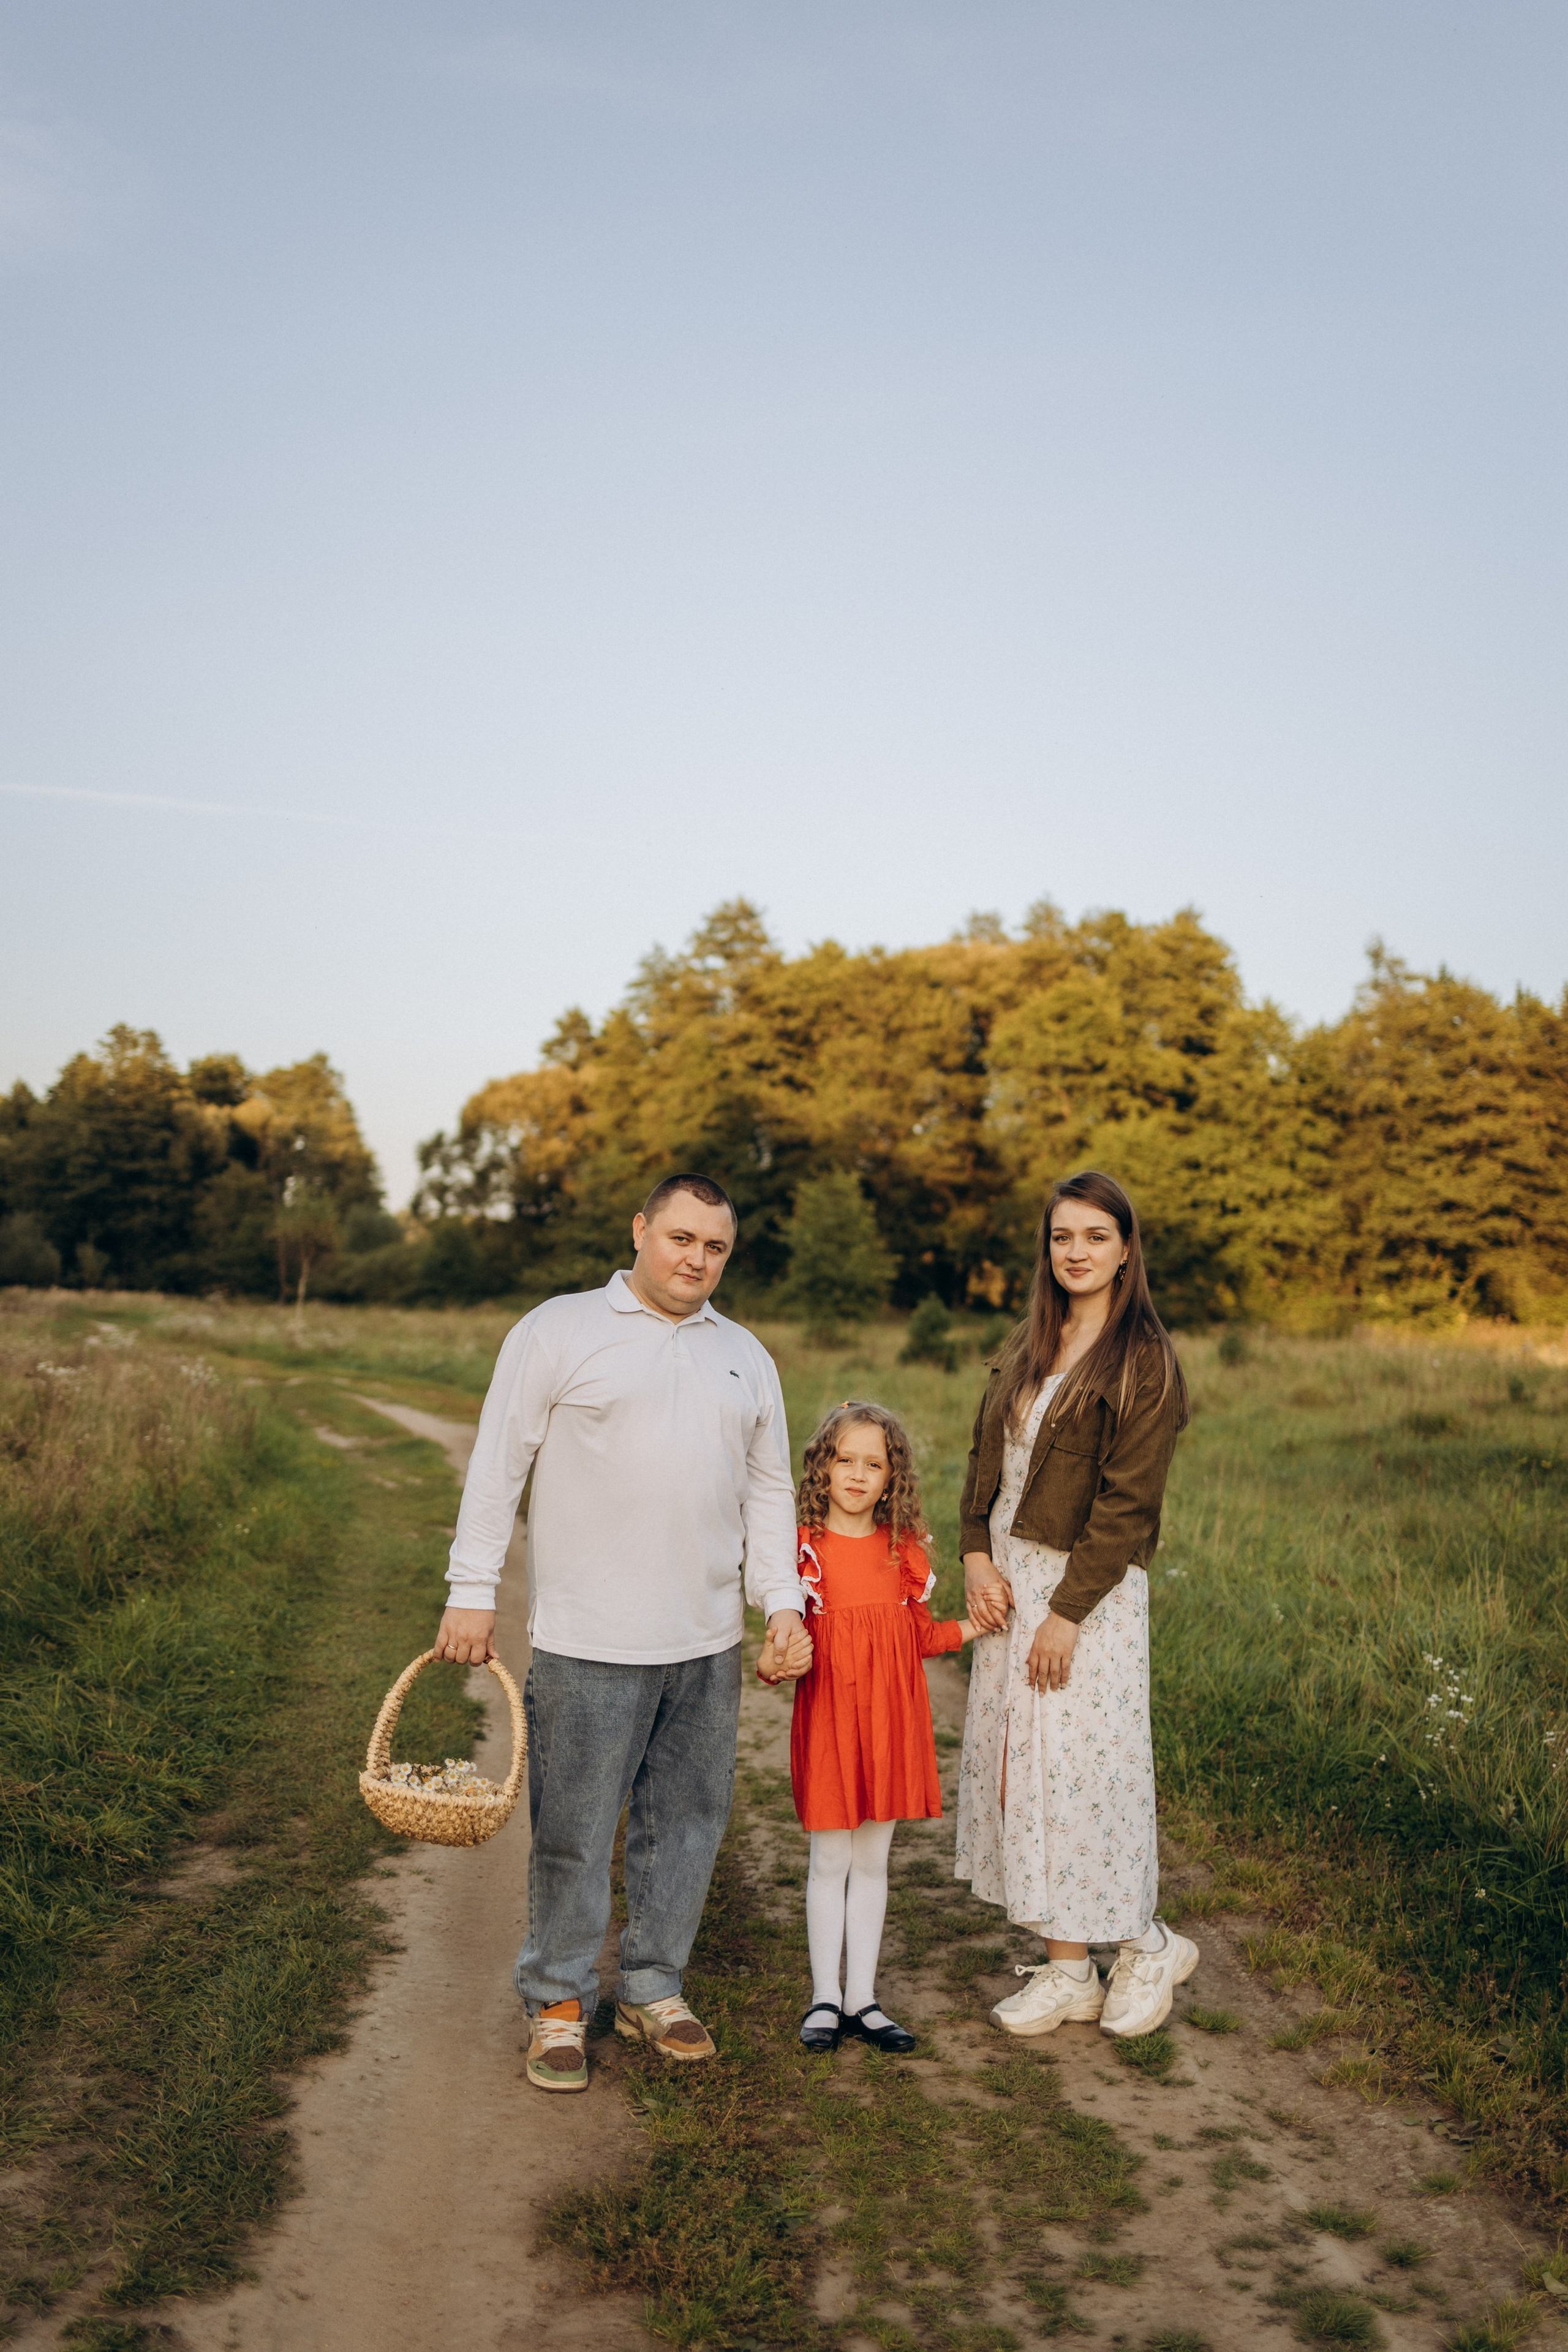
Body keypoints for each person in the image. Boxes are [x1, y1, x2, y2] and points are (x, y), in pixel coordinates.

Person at [433, 1173, 814, 2094]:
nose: (696, 1260)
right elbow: (498, 1463)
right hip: (589, 1637)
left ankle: (652, 1986)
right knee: (574, 1826)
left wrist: (783, 1603)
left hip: (706, 1638)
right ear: (641, 1230)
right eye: (681, 1238)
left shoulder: (745, 1355)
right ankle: (558, 2000)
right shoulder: (559, 1329)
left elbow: (768, 1491)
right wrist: (471, 1588)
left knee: (687, 1823)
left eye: (715, 1247)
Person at [953, 1169, 1196, 2039]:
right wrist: (977, 1554)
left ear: (1127, 1248)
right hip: (1012, 1582)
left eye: (1096, 1236)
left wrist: (1066, 1614)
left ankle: (1146, 1939)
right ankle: (1068, 1971)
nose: (1078, 1252)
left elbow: (1127, 1507)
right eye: (1063, 1237)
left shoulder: (1144, 1363)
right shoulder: (1029, 1346)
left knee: (1091, 1773)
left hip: (1086, 1592)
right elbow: (986, 1463)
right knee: (1030, 1772)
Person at [759, 1400, 994, 2056]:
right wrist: (773, 1665)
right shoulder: (801, 1550)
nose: (858, 1475)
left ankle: (862, 1997)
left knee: (872, 1861)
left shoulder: (905, 1553)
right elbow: (780, 1648)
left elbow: (918, 1637)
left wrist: (976, 1628)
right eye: (845, 1460)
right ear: (822, 1468)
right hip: (832, 1721)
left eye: (874, 1464)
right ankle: (824, 1998)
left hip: (891, 1722)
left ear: (892, 1478)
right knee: (829, 1858)